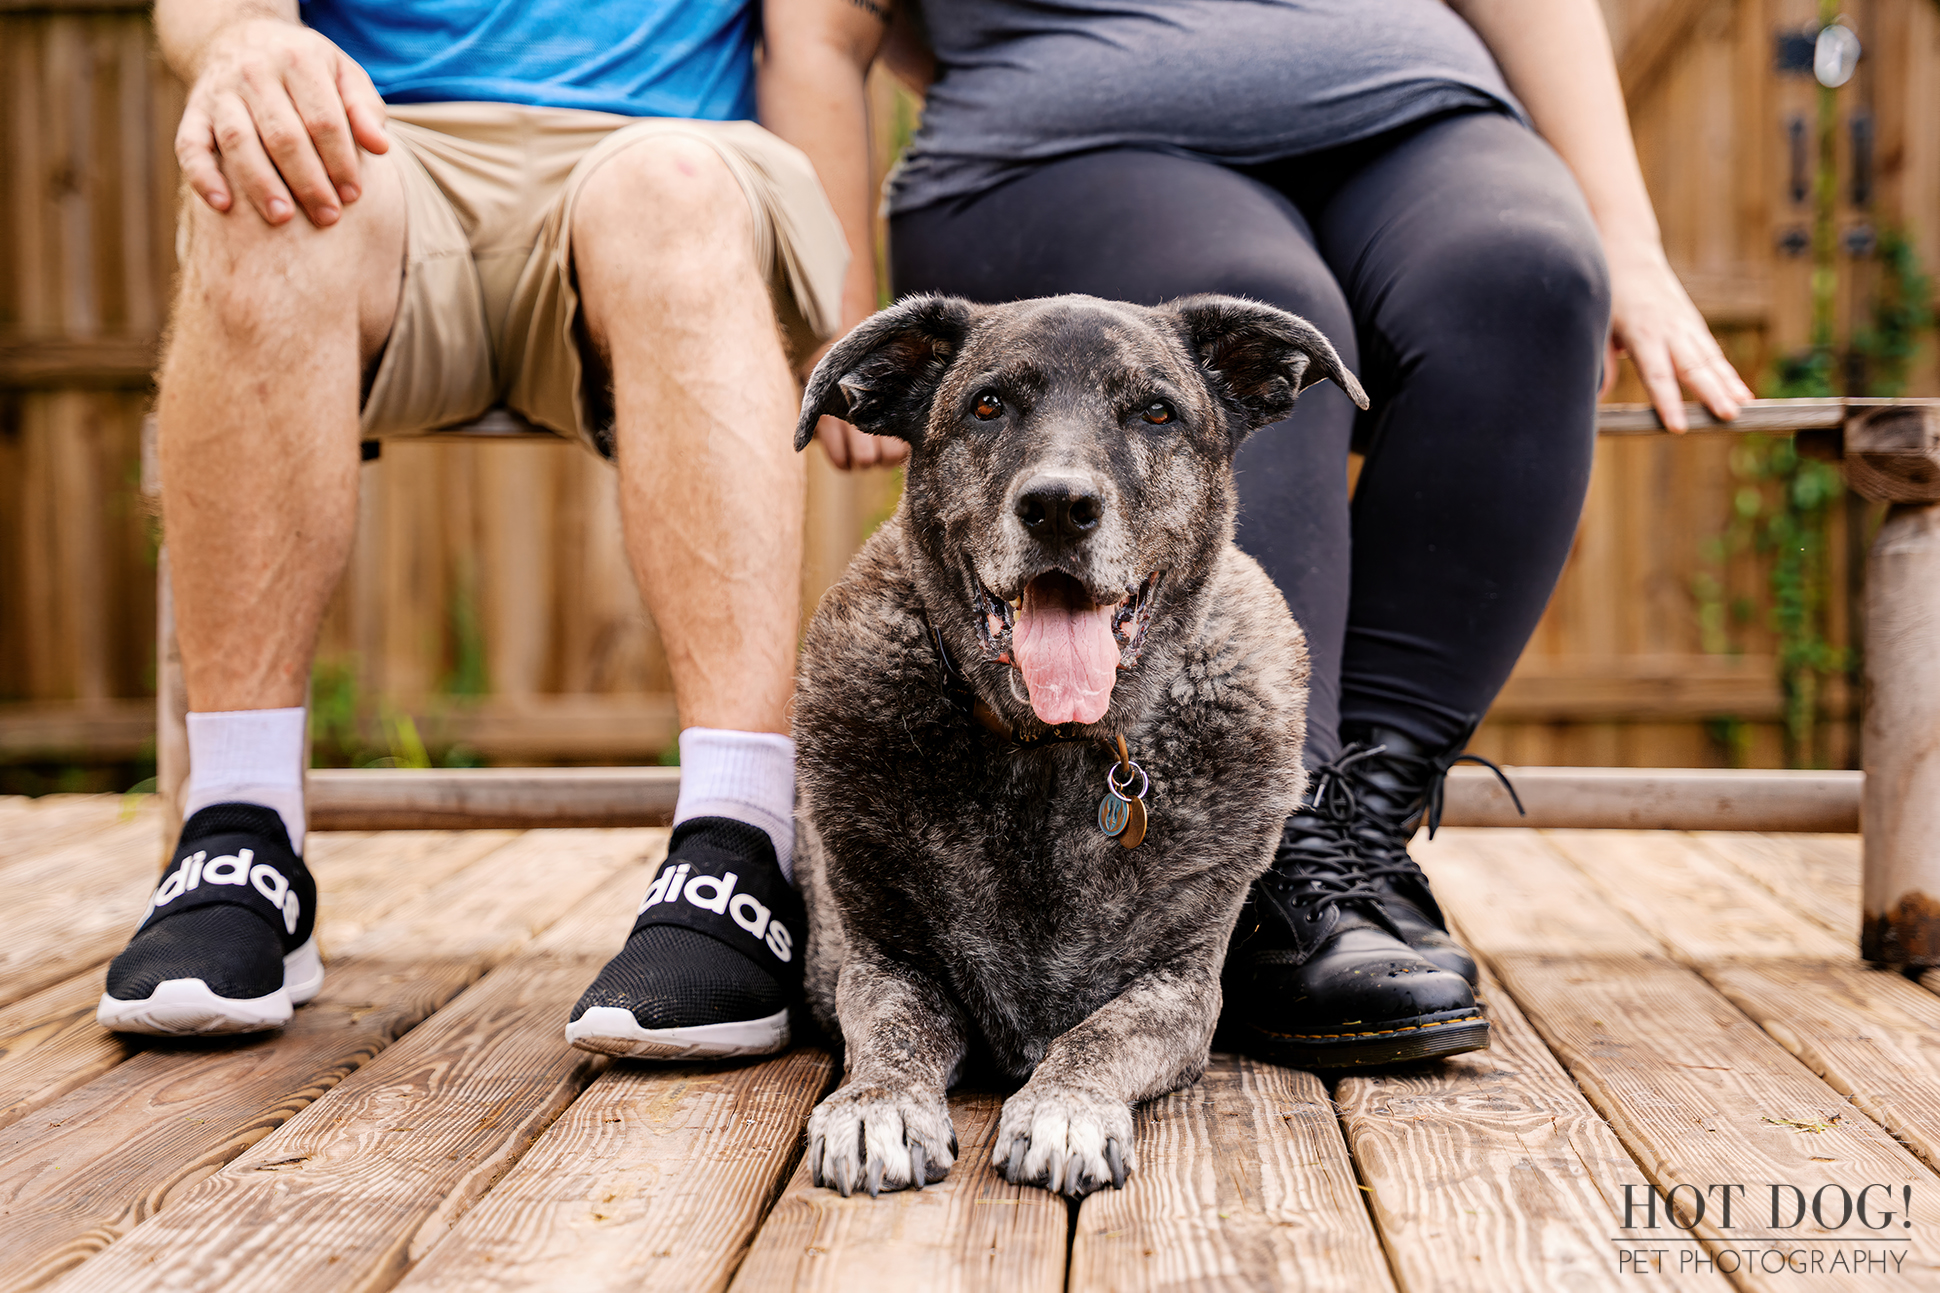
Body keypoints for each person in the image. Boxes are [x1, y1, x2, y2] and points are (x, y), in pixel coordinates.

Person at [809, 0, 1757, 1063]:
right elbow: (827, 25)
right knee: (1264, 308)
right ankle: (1289, 845)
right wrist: (836, 309)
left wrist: (1624, 240)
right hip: (1064, 136)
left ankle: (1344, 829)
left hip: (1410, 110)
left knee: (1533, 273)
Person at [98, 0, 900, 1055]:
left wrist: (850, 329)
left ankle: (737, 846)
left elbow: (816, 35)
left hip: (669, 163)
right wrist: (236, 40)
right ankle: (239, 832)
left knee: (675, 190)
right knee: (266, 194)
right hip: (377, 145)